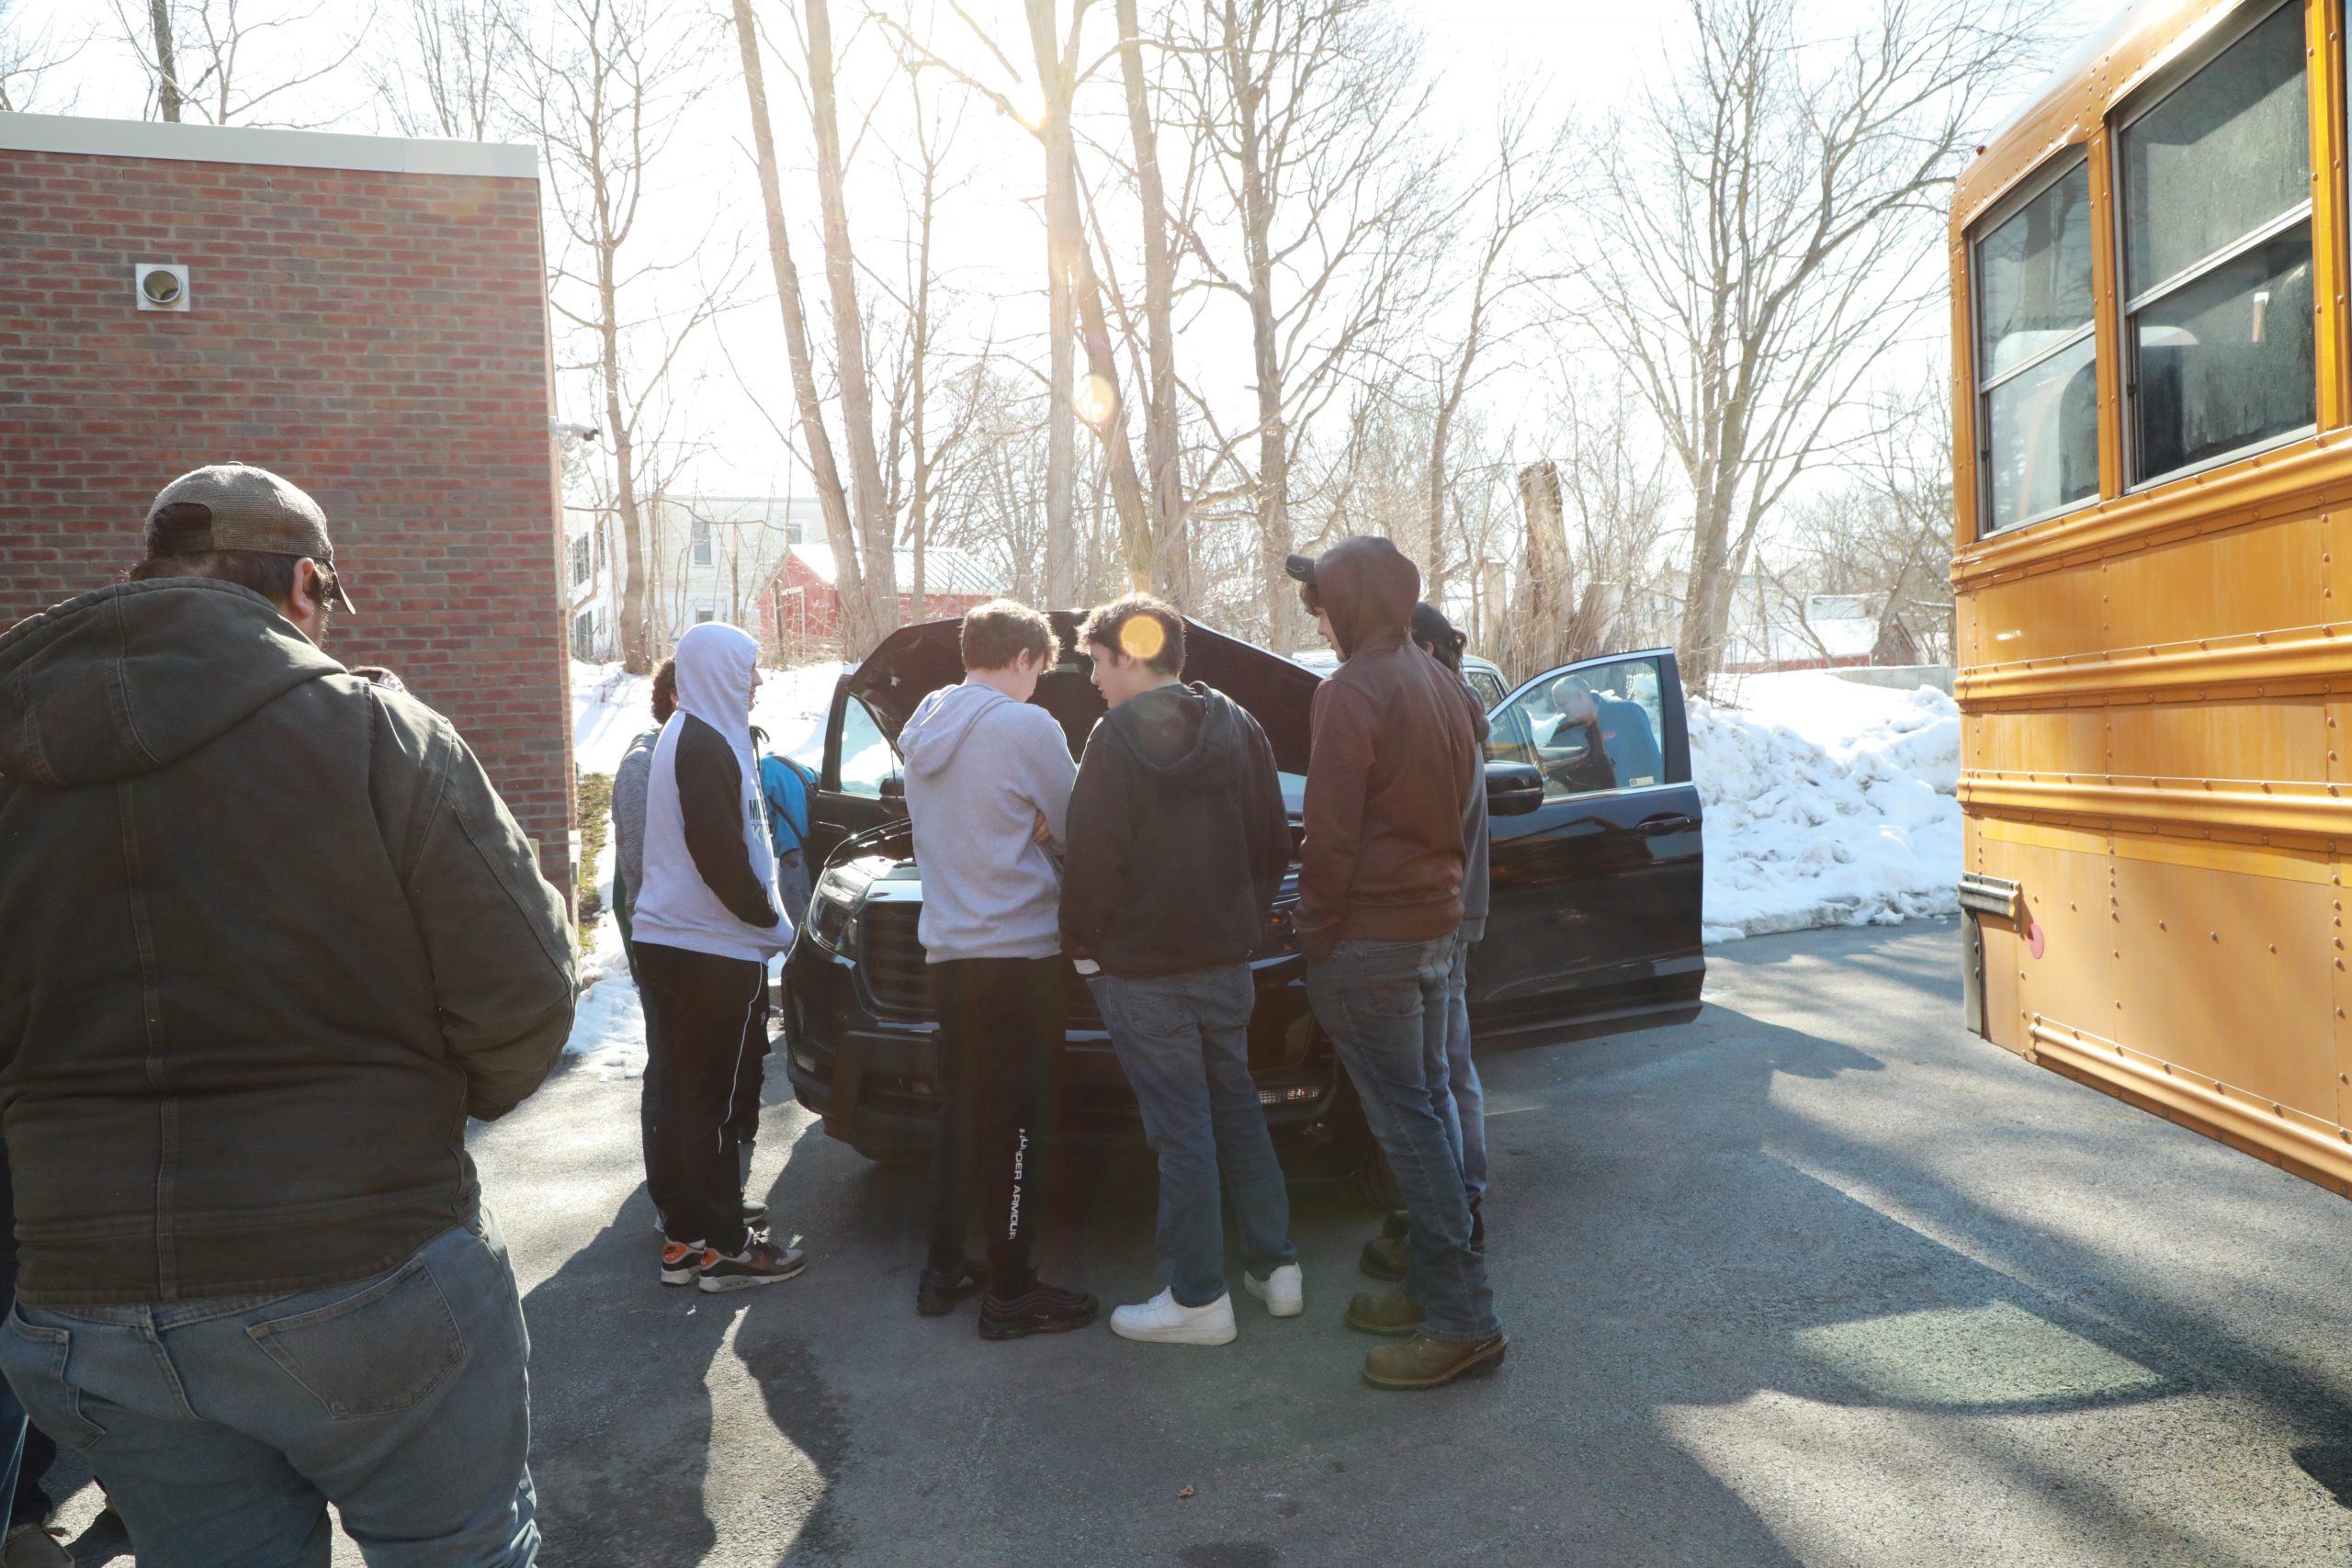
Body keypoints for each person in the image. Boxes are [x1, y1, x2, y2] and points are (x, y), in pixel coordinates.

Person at [0, 462, 575, 1562]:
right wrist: (419, 1118)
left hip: (86, 1305)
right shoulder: (374, 733)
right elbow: (526, 999)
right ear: (306, 583)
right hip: (365, 1263)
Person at [1285, 537, 1506, 1391]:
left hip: (1371, 941)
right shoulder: (1441, 682)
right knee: (1432, 1113)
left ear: (1351, 607)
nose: (1319, 621)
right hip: (1435, 931)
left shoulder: (1351, 690)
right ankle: (1428, 1290)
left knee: (1411, 1129)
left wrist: (1314, 933)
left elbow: (1331, 838)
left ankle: (1464, 1320)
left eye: (1323, 605)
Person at [1061, 595, 1303, 1346]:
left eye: (1098, 663)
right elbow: (1274, 844)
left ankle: (1199, 1300)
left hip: (1144, 974)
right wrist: (1243, 922)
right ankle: (1277, 1270)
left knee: (1181, 1132)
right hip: (1227, 964)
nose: (1095, 680)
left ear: (1130, 656)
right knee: (1236, 1110)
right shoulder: (1241, 724)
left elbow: (1095, 859)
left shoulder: (1112, 739)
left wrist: (1083, 947)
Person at [900, 600, 1098, 1339]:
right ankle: (1011, 1287)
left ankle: (942, 1267)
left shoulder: (925, 722)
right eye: (1041, 671)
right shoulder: (1027, 726)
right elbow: (1081, 826)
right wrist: (1044, 830)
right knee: (1017, 1119)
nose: (1040, 685)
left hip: (949, 950)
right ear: (1022, 658)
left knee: (959, 1109)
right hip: (1019, 952)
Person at [630, 623, 805, 1292]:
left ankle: (688, 1232)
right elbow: (720, 857)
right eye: (750, 668)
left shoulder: (688, 730)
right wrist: (770, 920)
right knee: (710, 1097)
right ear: (719, 671)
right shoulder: (704, 742)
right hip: (709, 949)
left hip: (674, 940)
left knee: (681, 1093)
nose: (757, 680)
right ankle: (727, 1249)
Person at [1360, 604, 1491, 1283]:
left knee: (1442, 1068)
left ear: (1429, 646)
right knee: (1441, 1069)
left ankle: (1461, 1204)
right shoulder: (1448, 703)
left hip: (1447, 913)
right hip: (1449, 910)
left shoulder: (1447, 708)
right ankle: (1453, 1202)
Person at [612, 658, 679, 986]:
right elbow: (644, 862)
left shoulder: (690, 753)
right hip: (665, 940)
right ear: (675, 696)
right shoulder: (642, 765)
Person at [755, 735, 817, 928]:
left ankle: (797, 957)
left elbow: (757, 824)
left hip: (792, 851)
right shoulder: (784, 763)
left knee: (794, 919)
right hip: (812, 844)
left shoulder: (758, 776)